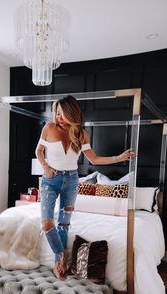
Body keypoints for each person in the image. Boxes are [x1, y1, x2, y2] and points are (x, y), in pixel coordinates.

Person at [35, 95, 135, 280]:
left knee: (63, 224)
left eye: (62, 114)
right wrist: (46, 167)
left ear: (71, 113)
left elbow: (95, 159)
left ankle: (59, 265)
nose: (58, 118)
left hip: (72, 181)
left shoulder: (81, 134)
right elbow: (39, 151)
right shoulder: (49, 128)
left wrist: (119, 158)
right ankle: (61, 252)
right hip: (50, 180)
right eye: (56, 114)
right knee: (46, 223)